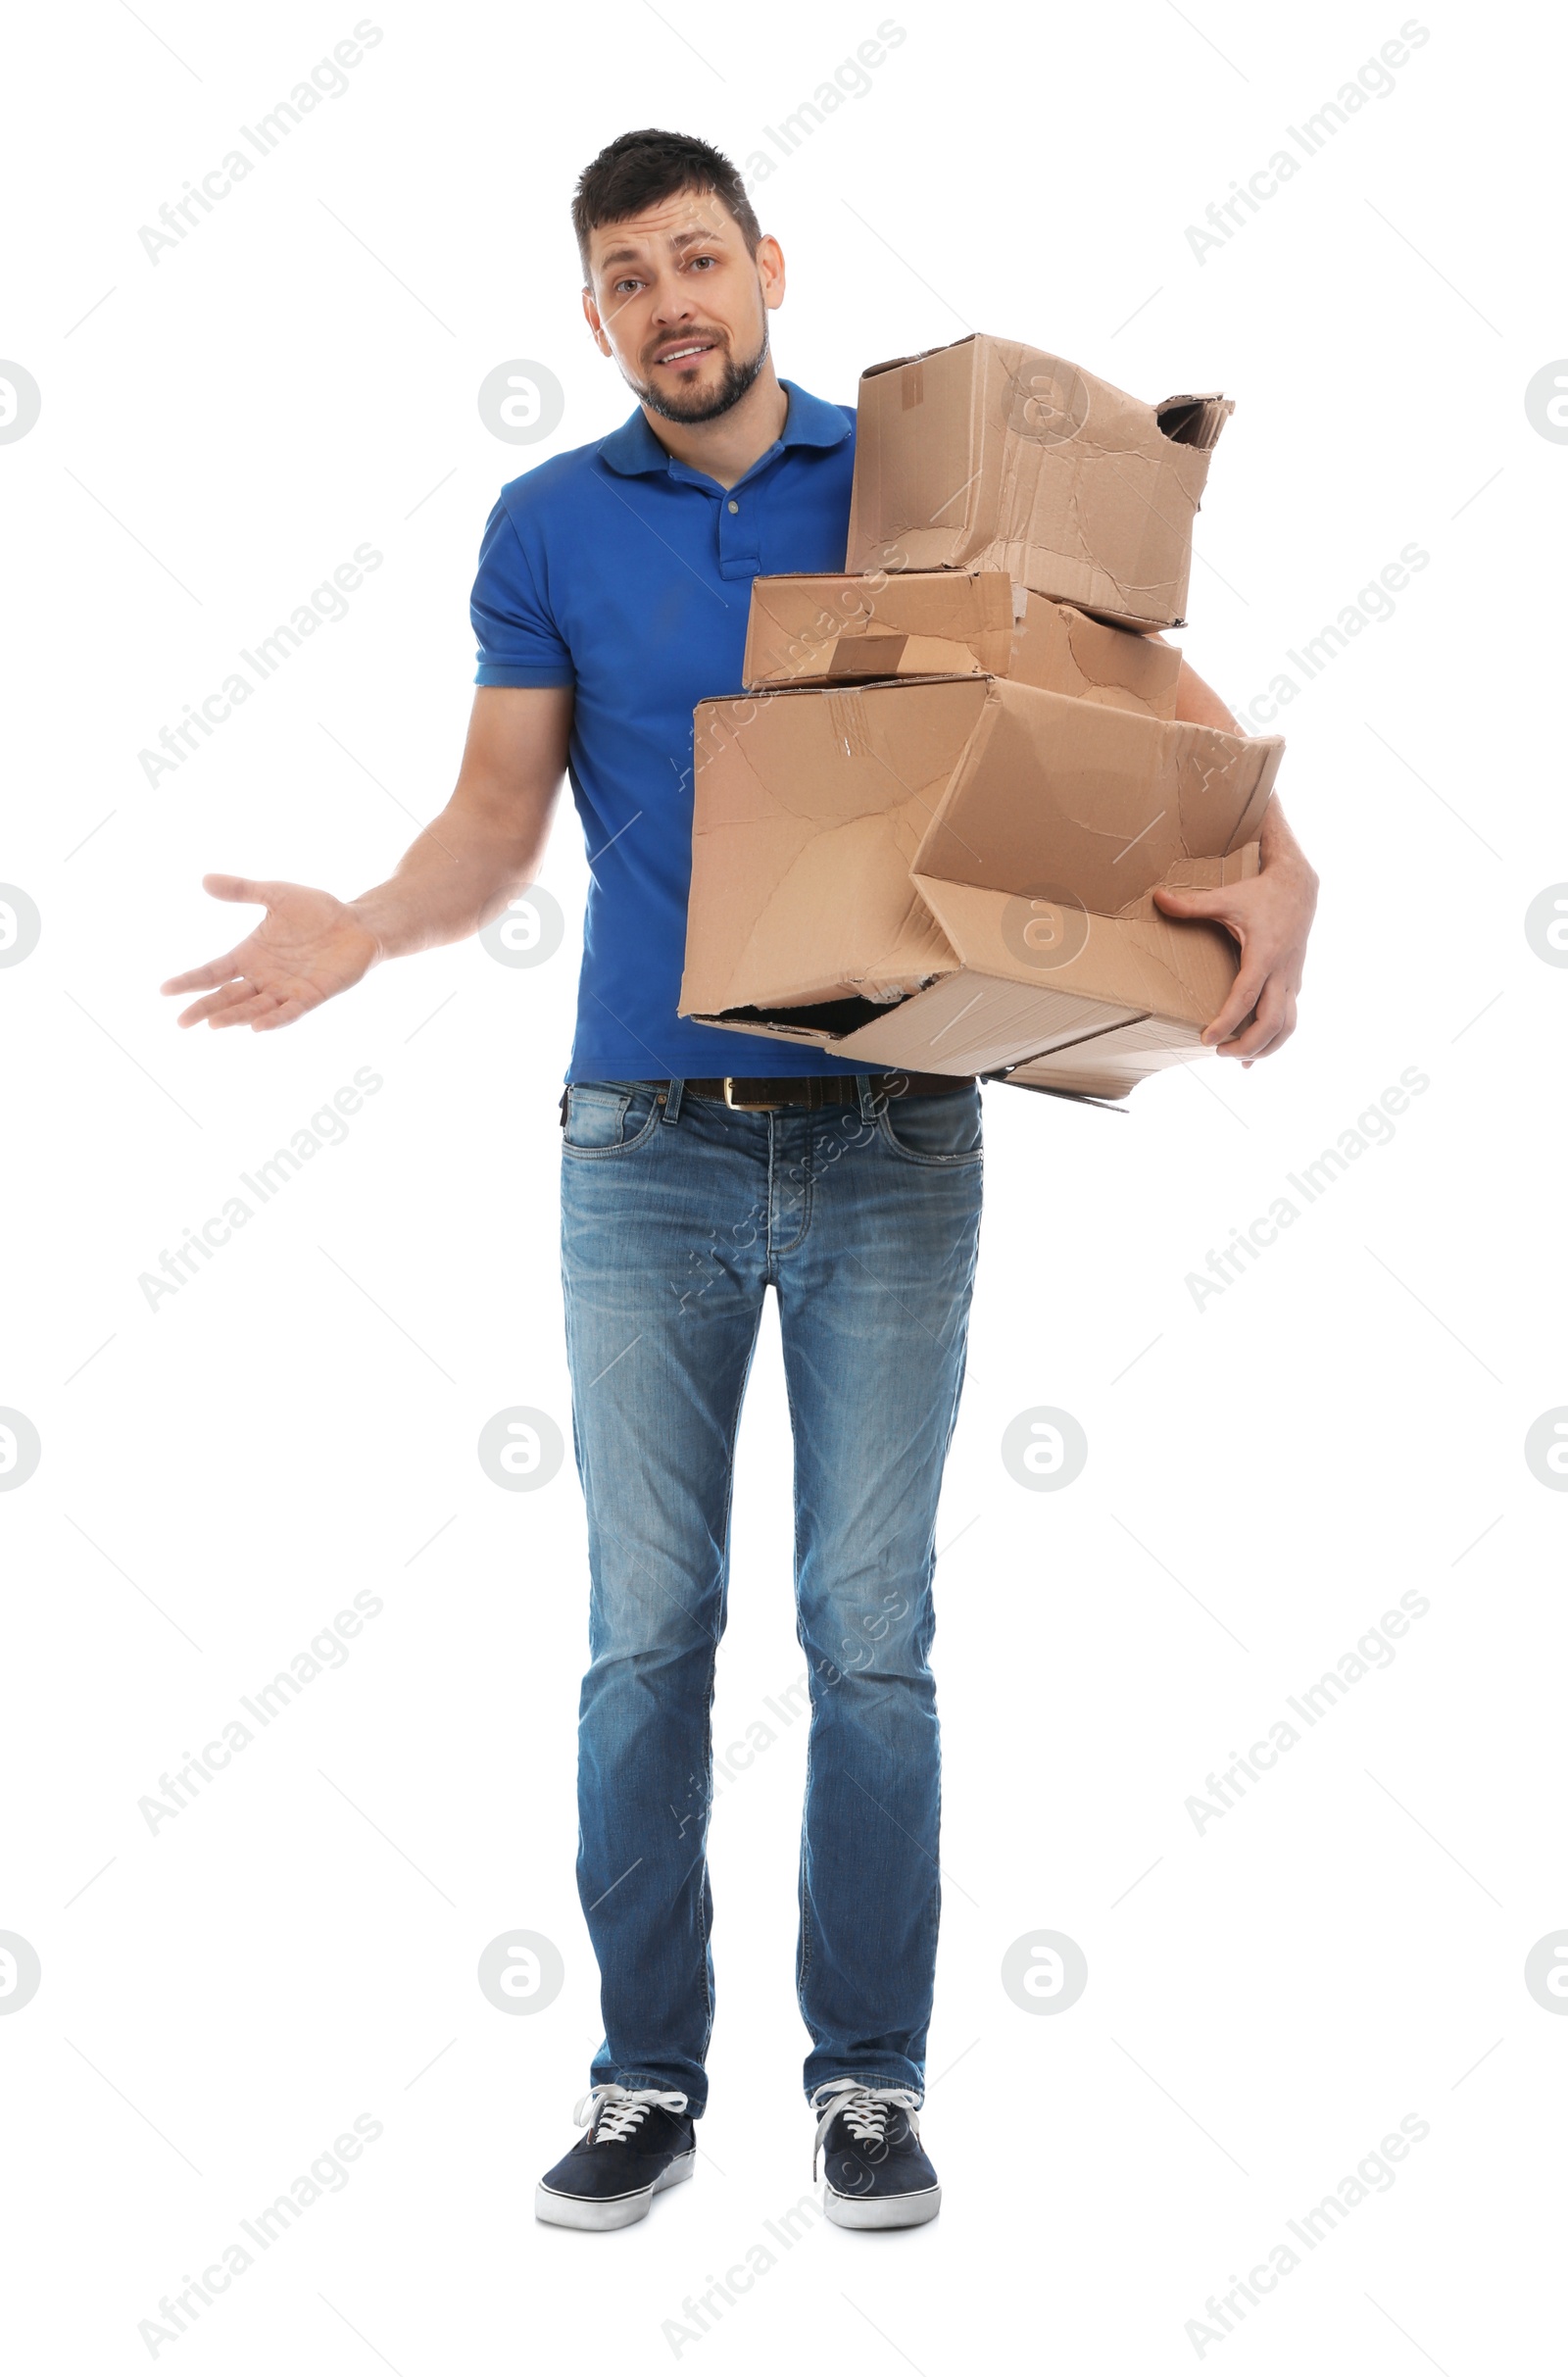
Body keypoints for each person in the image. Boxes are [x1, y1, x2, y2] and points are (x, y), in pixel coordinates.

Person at [162, 126, 1319, 2235]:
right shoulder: (539, 527)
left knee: (867, 1637)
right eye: (624, 277)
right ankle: (643, 2079)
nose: (667, 300)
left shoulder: (901, 479)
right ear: (592, 315)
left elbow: (1135, 680)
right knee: (644, 1637)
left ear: (766, 265)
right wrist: (362, 923)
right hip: (640, 1148)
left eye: (696, 257)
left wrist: (1279, 858)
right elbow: (494, 827)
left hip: (889, 1132)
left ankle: (865, 2080)